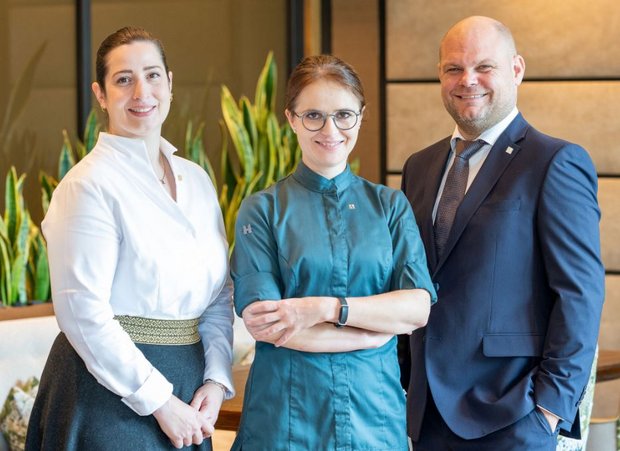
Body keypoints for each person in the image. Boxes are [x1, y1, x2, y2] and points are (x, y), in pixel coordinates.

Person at [401, 16, 605, 450]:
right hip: (425, 416)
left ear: (516, 69)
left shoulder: (555, 163)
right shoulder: (419, 167)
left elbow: (580, 294)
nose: (467, 80)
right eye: (453, 68)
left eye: (483, 67)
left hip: (512, 416)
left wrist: (549, 411)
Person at [26, 26, 234, 450]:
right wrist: (161, 403)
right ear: (101, 94)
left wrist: (215, 379)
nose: (142, 91)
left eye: (153, 75)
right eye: (124, 80)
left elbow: (218, 297)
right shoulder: (87, 185)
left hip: (190, 388)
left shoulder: (197, 181)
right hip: (106, 393)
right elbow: (83, 313)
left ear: (170, 84)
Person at [230, 54, 436, 450]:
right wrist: (373, 331)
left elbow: (416, 308)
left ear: (361, 116)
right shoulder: (263, 209)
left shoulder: (390, 206)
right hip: (286, 417)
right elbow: (267, 324)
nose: (330, 129)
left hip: (373, 418)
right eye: (313, 116)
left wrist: (323, 309)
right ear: (291, 119)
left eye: (344, 115)